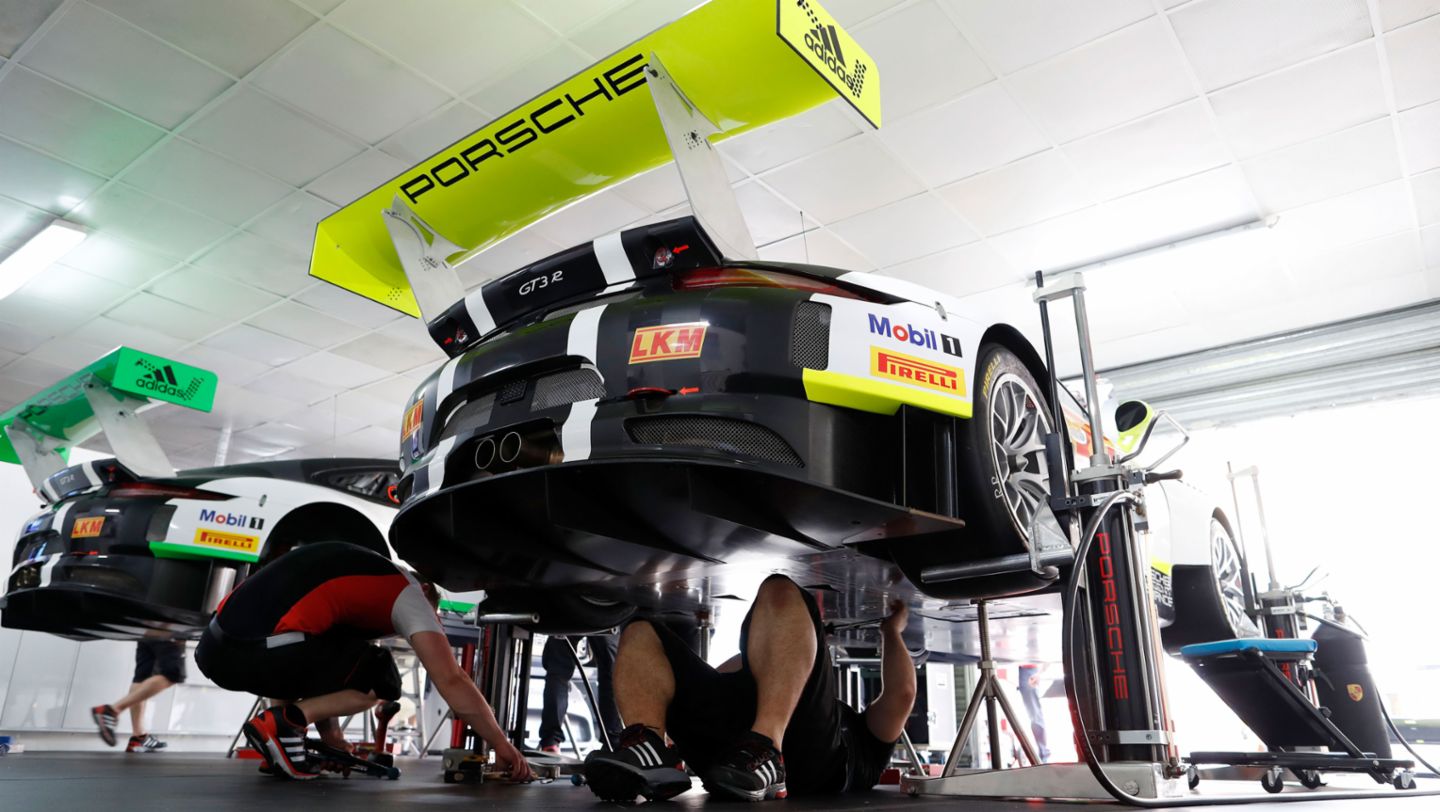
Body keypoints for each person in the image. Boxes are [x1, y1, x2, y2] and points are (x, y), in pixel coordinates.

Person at [195, 542, 532, 782]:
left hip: (216, 651)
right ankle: (287, 725)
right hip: (264, 650)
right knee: (382, 676)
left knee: (345, 655)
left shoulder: (357, 574)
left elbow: (303, 660)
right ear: (426, 590)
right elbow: (452, 678)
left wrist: (332, 740)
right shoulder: (410, 593)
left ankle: (282, 740)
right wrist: (503, 747)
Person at [583, 575, 916, 802]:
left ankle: (766, 749)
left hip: (801, 765)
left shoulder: (864, 749)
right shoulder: (854, 731)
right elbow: (735, 676)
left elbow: (902, 694)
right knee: (644, 632)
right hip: (727, 758)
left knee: (780, 591)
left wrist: (891, 630)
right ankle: (651, 749)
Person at [90, 639, 187, 752]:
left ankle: (139, 736)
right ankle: (111, 711)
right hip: (170, 628)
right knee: (174, 673)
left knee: (142, 678)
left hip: (147, 630)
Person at [538, 633, 620, 754]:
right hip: (606, 617)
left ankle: (551, 741)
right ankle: (613, 743)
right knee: (611, 671)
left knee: (558, 668)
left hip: (571, 615)